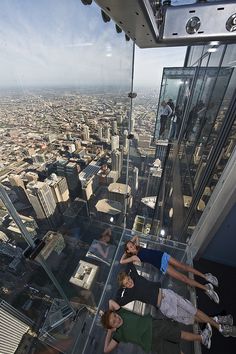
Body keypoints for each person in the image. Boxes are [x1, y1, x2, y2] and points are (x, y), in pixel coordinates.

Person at [115, 264, 234, 336]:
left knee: (194, 311)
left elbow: (129, 264)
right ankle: (218, 320)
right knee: (191, 319)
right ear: (124, 286)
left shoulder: (135, 277)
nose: (130, 282)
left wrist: (125, 272)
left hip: (167, 295)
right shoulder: (130, 294)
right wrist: (121, 288)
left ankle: (220, 328)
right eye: (126, 283)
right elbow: (117, 301)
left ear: (130, 276)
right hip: (164, 308)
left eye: (128, 279)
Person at [120, 235, 219, 303]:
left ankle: (206, 276)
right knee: (184, 279)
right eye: (130, 247)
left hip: (163, 256)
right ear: (128, 250)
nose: (132, 246)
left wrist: (130, 244)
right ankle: (206, 289)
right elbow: (121, 261)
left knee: (183, 266)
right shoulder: (134, 257)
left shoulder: (138, 246)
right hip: (162, 266)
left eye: (132, 244)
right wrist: (126, 251)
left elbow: (136, 236)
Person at [101, 300, 213, 353]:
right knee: (176, 352)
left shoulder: (122, 313)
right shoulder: (118, 335)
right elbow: (106, 350)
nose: (117, 319)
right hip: (153, 344)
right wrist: (110, 332)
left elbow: (110, 302)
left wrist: (109, 316)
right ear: (112, 327)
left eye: (114, 316)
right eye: (113, 322)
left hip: (155, 326)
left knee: (180, 334)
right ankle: (202, 338)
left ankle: (203, 338)